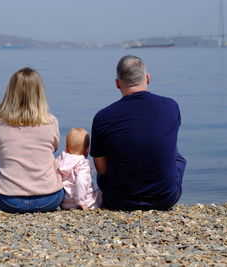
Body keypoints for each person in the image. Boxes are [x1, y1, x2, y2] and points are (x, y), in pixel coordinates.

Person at [90, 55, 187, 211]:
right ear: (147, 78)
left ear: (117, 84)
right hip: (165, 198)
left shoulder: (103, 117)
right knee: (176, 156)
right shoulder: (171, 106)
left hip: (119, 200)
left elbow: (102, 170)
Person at [0, 67, 64, 213]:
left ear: (10, 93)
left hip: (8, 199)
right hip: (48, 198)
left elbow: (1, 153)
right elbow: (53, 148)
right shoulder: (51, 122)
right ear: (39, 93)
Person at [56, 128, 102, 210]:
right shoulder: (82, 164)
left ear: (66, 147)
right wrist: (81, 202)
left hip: (65, 203)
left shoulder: (60, 160)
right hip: (84, 202)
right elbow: (80, 182)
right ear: (87, 150)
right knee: (101, 193)